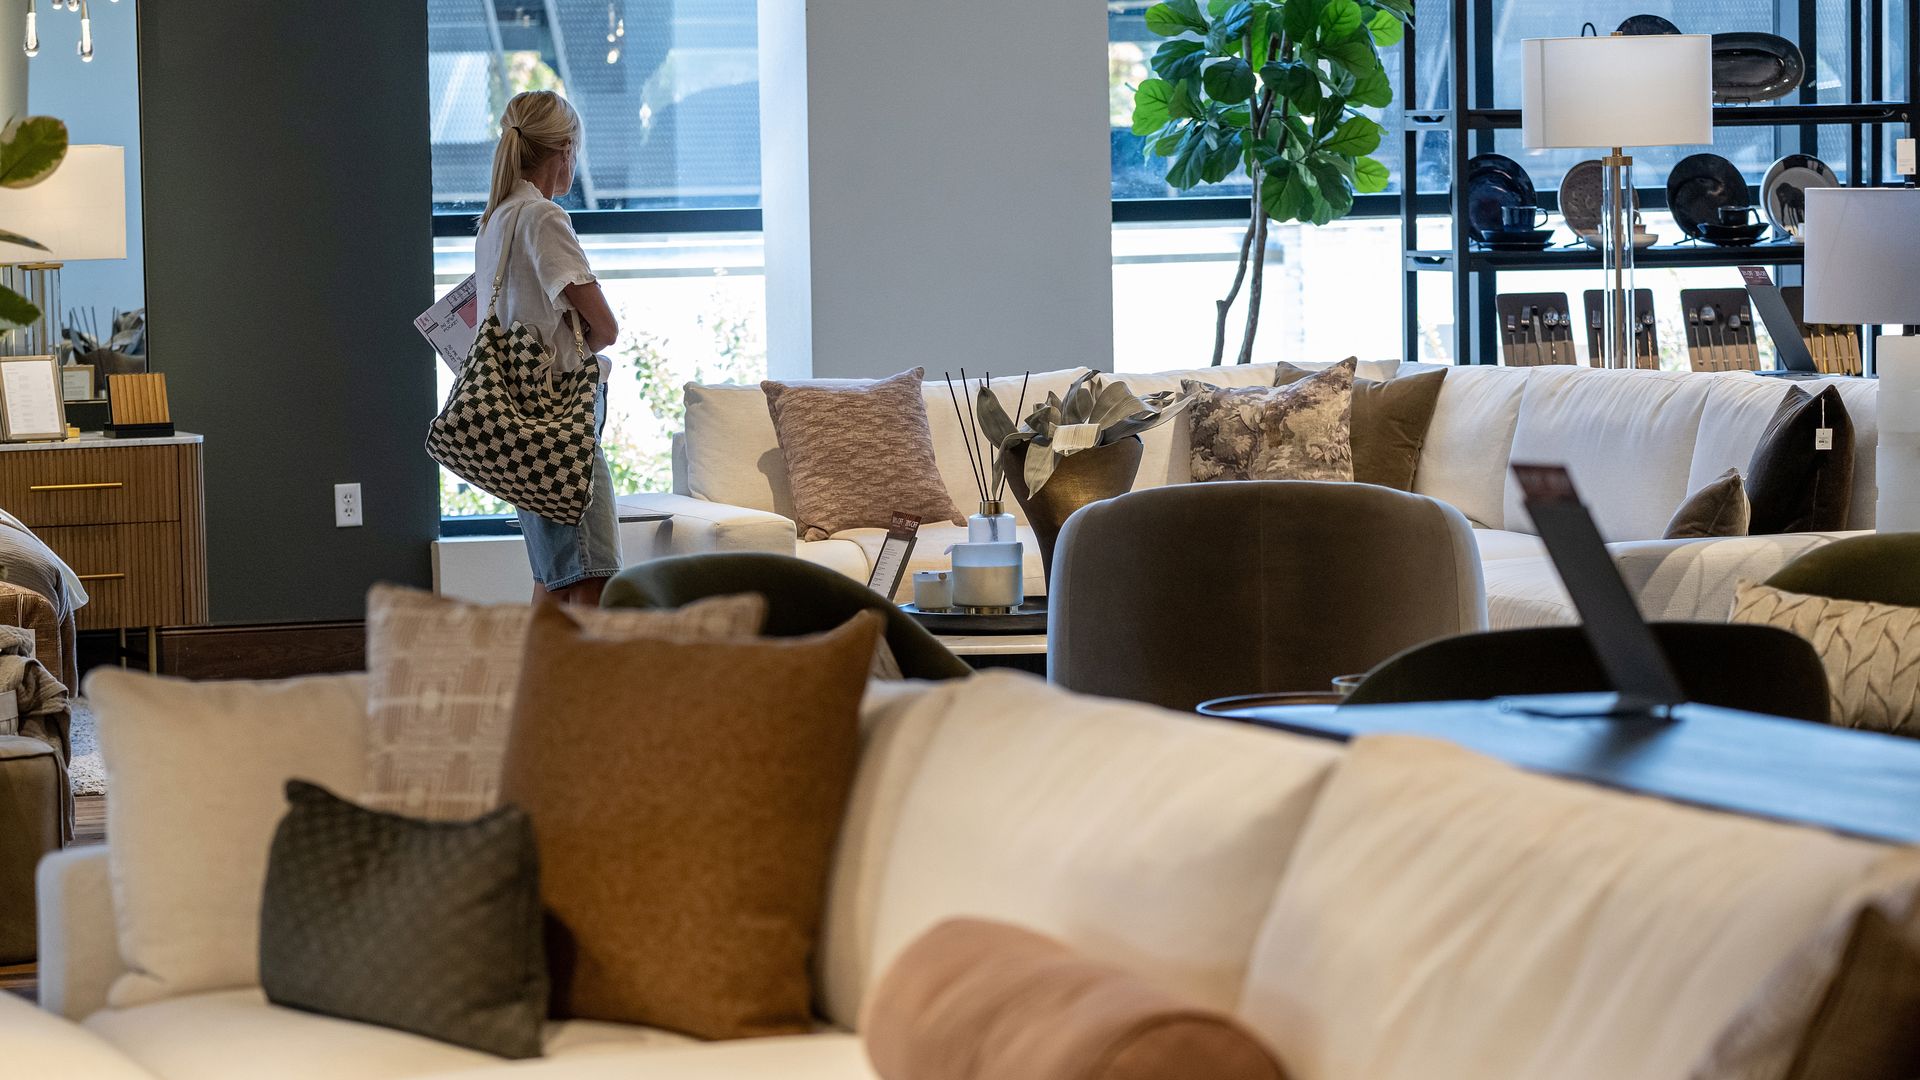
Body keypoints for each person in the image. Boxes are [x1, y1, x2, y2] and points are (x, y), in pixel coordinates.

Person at [473, 90, 622, 606]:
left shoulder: (494, 221)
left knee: (553, 576)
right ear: (563, 148)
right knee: (593, 576)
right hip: (561, 420)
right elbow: (604, 327)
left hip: (520, 420)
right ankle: (576, 688)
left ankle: (533, 686)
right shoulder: (542, 218)